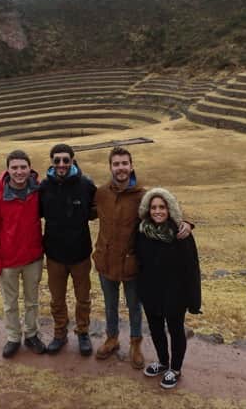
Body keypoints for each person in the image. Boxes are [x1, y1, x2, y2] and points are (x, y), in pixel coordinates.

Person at [92, 146, 193, 369]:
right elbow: (85, 211)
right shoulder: (101, 193)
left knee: (135, 306)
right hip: (105, 259)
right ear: (110, 167)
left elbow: (167, 209)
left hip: (131, 262)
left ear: (131, 166)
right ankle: (111, 338)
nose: (120, 168)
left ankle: (135, 343)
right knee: (110, 305)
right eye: (116, 164)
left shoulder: (142, 195)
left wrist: (186, 222)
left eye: (124, 163)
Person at [135, 187, 201, 389]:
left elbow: (192, 268)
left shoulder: (181, 233)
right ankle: (163, 363)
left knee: (175, 329)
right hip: (151, 292)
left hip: (175, 294)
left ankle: (176, 368)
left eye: (162, 207)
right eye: (153, 207)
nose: (157, 211)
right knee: (156, 329)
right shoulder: (142, 232)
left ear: (169, 209)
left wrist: (193, 301)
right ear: (147, 209)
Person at [0, 149, 46, 358]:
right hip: (8, 260)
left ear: (30, 168)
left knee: (32, 301)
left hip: (33, 257)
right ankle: (12, 337)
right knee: (10, 303)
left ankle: (31, 334)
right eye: (15, 167)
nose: (19, 171)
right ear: (8, 170)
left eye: (23, 167)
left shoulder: (37, 191)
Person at [39, 143, 96, 356]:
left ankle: (83, 332)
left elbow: (99, 209)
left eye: (66, 160)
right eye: (57, 160)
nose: (61, 164)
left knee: (83, 298)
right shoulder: (44, 187)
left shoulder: (86, 185)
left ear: (72, 160)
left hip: (80, 254)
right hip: (54, 255)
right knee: (57, 299)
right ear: (52, 162)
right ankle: (60, 333)